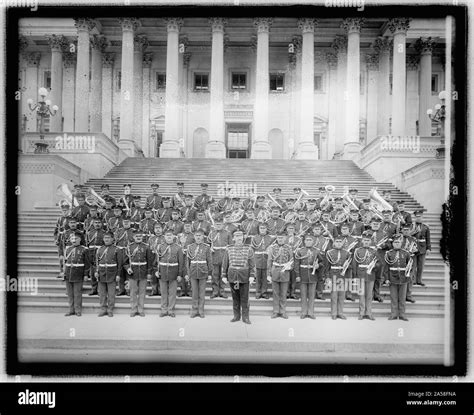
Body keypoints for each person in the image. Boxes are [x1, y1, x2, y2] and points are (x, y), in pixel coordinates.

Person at [222, 230, 256, 324]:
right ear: (233, 238)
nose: (239, 238)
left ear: (243, 238)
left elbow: (252, 263)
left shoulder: (248, 248)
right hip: (234, 276)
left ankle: (245, 317)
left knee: (245, 297)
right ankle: (236, 316)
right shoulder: (229, 248)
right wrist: (224, 275)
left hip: (244, 276)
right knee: (235, 297)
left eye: (240, 236)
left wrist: (252, 275)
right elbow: (225, 263)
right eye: (237, 236)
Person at [294, 234, 325, 319]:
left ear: (313, 241)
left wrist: (318, 265)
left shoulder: (317, 251)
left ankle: (311, 312)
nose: (308, 242)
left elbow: (322, 262)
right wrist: (297, 275)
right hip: (302, 275)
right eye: (307, 240)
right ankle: (304, 312)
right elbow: (296, 265)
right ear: (304, 241)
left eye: (310, 240)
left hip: (313, 275)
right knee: (303, 295)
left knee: (311, 295)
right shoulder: (300, 251)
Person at [124, 229, 154, 317]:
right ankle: (133, 309)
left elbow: (150, 260)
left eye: (140, 236)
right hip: (133, 272)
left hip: (143, 271)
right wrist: (128, 268)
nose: (138, 238)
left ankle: (141, 309)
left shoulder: (146, 247)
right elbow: (125, 262)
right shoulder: (129, 247)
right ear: (133, 237)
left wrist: (149, 272)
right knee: (133, 292)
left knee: (142, 292)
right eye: (137, 236)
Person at [155, 230, 184, 318]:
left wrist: (179, 274)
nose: (168, 237)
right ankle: (164, 310)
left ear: (173, 237)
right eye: (167, 235)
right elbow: (157, 261)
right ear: (164, 237)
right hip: (163, 271)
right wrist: (157, 270)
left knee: (172, 292)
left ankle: (170, 310)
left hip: (174, 271)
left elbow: (181, 262)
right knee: (163, 292)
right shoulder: (160, 247)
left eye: (170, 235)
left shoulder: (178, 248)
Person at [95, 231, 123, 317]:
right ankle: (103, 309)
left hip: (112, 273)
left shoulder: (116, 249)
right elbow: (96, 262)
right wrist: (96, 271)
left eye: (108, 238)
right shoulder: (99, 249)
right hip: (102, 273)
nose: (106, 239)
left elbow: (120, 264)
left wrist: (118, 274)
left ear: (112, 239)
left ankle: (110, 309)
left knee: (111, 293)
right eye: (105, 238)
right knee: (102, 293)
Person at [185, 228, 212, 317]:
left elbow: (209, 261)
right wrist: (188, 273)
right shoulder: (190, 247)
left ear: (203, 236)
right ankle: (194, 309)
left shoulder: (207, 247)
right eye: (196, 235)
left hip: (203, 271)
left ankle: (201, 310)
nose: (198, 237)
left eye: (200, 235)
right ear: (194, 236)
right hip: (193, 272)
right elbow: (187, 262)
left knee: (202, 293)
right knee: (194, 292)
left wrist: (210, 273)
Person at [352, 231, 379, 320]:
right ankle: (361, 313)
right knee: (361, 295)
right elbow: (354, 264)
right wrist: (355, 276)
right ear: (362, 241)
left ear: (370, 241)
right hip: (361, 275)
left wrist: (375, 266)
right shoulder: (358, 251)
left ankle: (369, 313)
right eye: (365, 240)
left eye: (368, 240)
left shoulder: (374, 251)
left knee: (369, 295)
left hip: (371, 275)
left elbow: (379, 263)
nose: (366, 242)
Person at [384, 234, 411, 321]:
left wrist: (408, 277)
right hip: (392, 278)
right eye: (395, 242)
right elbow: (386, 267)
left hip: (403, 278)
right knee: (394, 298)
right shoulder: (389, 253)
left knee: (402, 298)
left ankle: (402, 314)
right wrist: (387, 278)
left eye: (398, 242)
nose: (397, 244)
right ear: (392, 244)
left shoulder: (406, 253)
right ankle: (394, 314)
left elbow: (410, 266)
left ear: (401, 243)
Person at [63, 230, 90, 317]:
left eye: (76, 238)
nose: (74, 240)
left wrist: (86, 274)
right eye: (72, 238)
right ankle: (71, 310)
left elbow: (87, 263)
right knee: (70, 294)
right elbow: (65, 262)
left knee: (77, 293)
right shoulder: (68, 249)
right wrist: (64, 273)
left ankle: (78, 310)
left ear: (80, 239)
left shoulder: (84, 249)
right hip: (68, 273)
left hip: (78, 272)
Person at [267, 231, 293, 319]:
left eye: (282, 238)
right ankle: (275, 311)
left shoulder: (289, 248)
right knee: (275, 293)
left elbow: (292, 260)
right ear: (276, 238)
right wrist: (268, 274)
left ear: (285, 238)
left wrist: (289, 267)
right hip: (275, 271)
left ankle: (283, 311)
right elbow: (269, 261)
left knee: (283, 293)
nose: (280, 239)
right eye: (279, 238)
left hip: (285, 272)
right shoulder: (272, 248)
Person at [325, 235, 352, 320]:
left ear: (343, 243)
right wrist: (327, 278)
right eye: (337, 242)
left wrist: (347, 267)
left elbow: (350, 267)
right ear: (334, 243)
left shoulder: (347, 253)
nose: (339, 243)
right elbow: (327, 267)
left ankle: (340, 313)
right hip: (333, 275)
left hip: (343, 277)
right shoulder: (329, 253)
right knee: (334, 295)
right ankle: (333, 313)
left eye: (340, 242)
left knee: (341, 296)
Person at [207, 215, 232, 298]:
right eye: (217, 224)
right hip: (214, 256)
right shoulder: (211, 233)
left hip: (224, 256)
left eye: (220, 224)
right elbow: (208, 245)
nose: (218, 226)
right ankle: (215, 291)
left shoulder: (227, 233)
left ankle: (222, 291)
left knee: (223, 274)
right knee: (215, 274)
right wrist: (210, 249)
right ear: (214, 225)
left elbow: (231, 245)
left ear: (223, 224)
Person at [369, 217, 391, 303]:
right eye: (374, 224)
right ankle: (370, 294)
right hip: (369, 258)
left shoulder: (384, 233)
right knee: (370, 277)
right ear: (371, 224)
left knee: (378, 278)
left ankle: (377, 295)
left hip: (380, 258)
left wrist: (383, 246)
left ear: (379, 225)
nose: (375, 225)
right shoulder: (367, 233)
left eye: (377, 224)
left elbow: (389, 245)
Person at [251, 223, 274, 299]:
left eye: (264, 228)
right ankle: (258, 292)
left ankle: (264, 292)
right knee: (258, 276)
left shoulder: (270, 238)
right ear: (259, 229)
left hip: (266, 258)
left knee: (265, 276)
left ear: (266, 229)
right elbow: (252, 249)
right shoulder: (255, 238)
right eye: (261, 228)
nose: (263, 230)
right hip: (257, 258)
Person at [114, 217, 135, 296]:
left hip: (129, 252)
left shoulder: (133, 231)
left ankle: (128, 290)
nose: (126, 224)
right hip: (119, 251)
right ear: (122, 223)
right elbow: (115, 241)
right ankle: (121, 289)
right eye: (124, 222)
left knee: (129, 270)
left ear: (130, 222)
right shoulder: (118, 231)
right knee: (120, 270)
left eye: (127, 222)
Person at [311, 222, 332, 300]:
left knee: (320, 277)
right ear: (313, 230)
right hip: (312, 259)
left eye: (318, 229)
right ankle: (311, 294)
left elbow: (328, 251)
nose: (317, 231)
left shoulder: (325, 240)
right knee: (312, 277)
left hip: (322, 260)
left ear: (321, 230)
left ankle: (319, 294)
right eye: (315, 229)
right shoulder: (310, 238)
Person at [86, 218, 106, 296]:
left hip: (101, 253)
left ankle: (100, 290)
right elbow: (87, 244)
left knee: (100, 272)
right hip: (91, 253)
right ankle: (94, 289)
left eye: (99, 222)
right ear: (93, 224)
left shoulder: (104, 233)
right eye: (96, 223)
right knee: (92, 272)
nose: (97, 224)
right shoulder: (89, 233)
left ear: (101, 224)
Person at [412, 210, 431, 287]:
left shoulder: (426, 227)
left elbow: (428, 238)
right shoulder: (411, 226)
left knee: (421, 265)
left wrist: (428, 248)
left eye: (419, 216)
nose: (418, 218)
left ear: (422, 217)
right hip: (413, 248)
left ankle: (419, 280)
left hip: (422, 248)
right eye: (417, 216)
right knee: (413, 266)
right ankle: (413, 280)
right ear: (415, 217)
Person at [176, 221, 195, 297]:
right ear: (183, 227)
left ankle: (189, 290)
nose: (187, 228)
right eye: (186, 226)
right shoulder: (180, 236)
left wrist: (190, 251)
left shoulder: (193, 236)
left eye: (189, 226)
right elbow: (177, 245)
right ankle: (182, 290)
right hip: (182, 256)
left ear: (191, 227)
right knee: (182, 272)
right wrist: (181, 250)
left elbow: (195, 246)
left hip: (191, 256)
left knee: (189, 271)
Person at [401, 224, 418, 303]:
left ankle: (408, 295)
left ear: (410, 230)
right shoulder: (398, 238)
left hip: (410, 261)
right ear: (402, 230)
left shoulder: (413, 239)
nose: (406, 231)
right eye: (404, 230)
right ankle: (401, 296)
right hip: (401, 261)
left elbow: (418, 251)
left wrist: (416, 250)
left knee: (410, 278)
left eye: (407, 230)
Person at [147, 222, 166, 296]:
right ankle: (154, 290)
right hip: (153, 258)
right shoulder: (151, 238)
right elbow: (148, 249)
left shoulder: (164, 238)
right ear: (154, 229)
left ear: (162, 229)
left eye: (159, 228)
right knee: (153, 275)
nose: (158, 230)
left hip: (162, 258)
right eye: (156, 228)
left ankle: (161, 290)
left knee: (162, 274)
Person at [54, 202, 71, 278]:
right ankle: (61, 271)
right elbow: (56, 230)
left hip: (68, 240)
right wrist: (56, 239)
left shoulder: (71, 219)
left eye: (66, 210)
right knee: (61, 257)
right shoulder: (59, 219)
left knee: (67, 257)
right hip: (60, 240)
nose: (65, 212)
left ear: (69, 210)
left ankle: (67, 272)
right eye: (63, 210)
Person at [285, 223, 302, 299]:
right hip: (286, 259)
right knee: (287, 276)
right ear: (286, 229)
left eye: (292, 228)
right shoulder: (284, 238)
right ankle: (287, 292)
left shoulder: (298, 239)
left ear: (295, 230)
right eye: (289, 228)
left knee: (294, 276)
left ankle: (293, 293)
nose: (290, 230)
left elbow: (301, 249)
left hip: (295, 259)